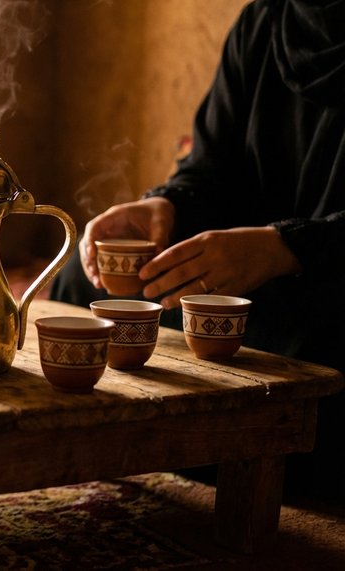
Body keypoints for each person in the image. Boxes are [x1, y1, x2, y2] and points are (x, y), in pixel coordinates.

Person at [50, 0, 345, 501]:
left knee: (309, 348)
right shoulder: (267, 21)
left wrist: (286, 247)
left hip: (329, 286)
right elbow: (211, 169)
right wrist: (165, 204)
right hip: (253, 281)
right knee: (86, 283)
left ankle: (234, 456)